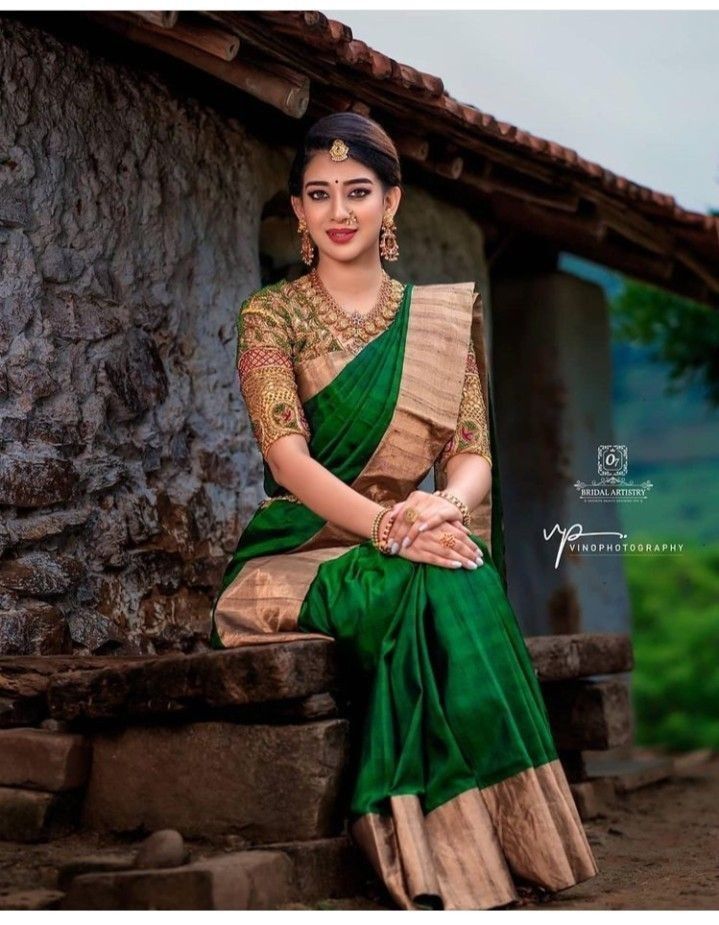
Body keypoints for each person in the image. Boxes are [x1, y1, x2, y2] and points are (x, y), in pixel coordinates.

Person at [208, 112, 598, 910]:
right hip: (301, 555)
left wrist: (440, 508)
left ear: (393, 204)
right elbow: (287, 458)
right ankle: (445, 852)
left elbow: (471, 453)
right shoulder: (271, 316)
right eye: (319, 194)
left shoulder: (440, 320)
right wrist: (389, 526)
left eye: (358, 191)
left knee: (457, 569)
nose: (339, 210)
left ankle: (485, 845)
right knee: (441, 578)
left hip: (417, 532)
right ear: (298, 213)